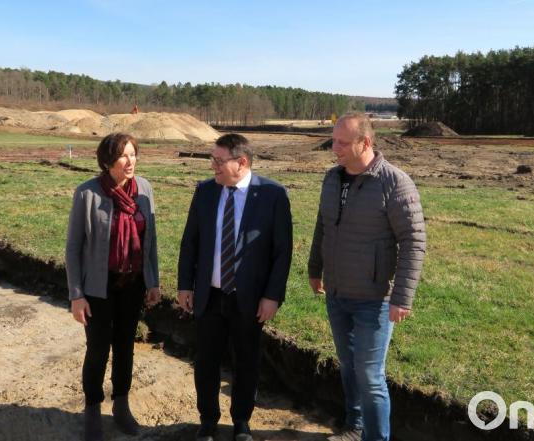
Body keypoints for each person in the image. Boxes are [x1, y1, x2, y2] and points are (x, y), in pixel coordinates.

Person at [308, 112, 426, 441]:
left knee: (370, 376)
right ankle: (354, 427)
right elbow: (323, 226)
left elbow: (414, 242)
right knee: (348, 367)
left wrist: (402, 297)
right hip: (337, 293)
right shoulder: (331, 179)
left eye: (343, 143)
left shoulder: (394, 182)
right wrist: (315, 268)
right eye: (333, 140)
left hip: (374, 299)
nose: (335, 148)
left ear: (366, 143)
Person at [177, 133, 293, 441]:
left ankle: (241, 421)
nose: (212, 165)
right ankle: (208, 419)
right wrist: (185, 285)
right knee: (206, 361)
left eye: (218, 160)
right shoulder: (205, 192)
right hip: (210, 295)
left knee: (247, 361)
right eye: (212, 159)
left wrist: (272, 296)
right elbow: (190, 242)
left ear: (241, 162)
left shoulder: (272, 195)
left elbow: (282, 252)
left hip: (250, 298)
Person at [65, 132, 161, 441]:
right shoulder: (88, 194)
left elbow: (151, 241)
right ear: (107, 161)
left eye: (133, 154)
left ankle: (121, 405)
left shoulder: (144, 188)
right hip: (98, 287)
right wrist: (76, 295)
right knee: (97, 350)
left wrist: (153, 281)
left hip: (132, 284)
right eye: (123, 155)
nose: (130, 161)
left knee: (125, 348)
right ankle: (92, 408)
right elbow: (73, 248)